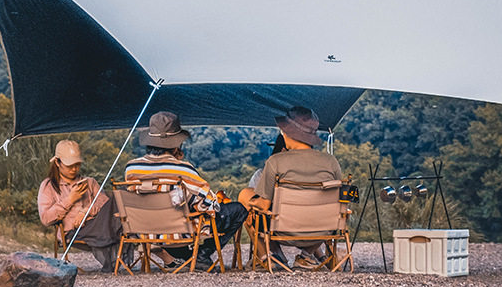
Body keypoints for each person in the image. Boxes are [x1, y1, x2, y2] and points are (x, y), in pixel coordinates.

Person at [124, 111, 248, 271]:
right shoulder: (183, 168)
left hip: (145, 230)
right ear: (176, 144)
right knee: (237, 210)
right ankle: (203, 254)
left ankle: (184, 258)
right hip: (179, 230)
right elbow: (209, 204)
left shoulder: (132, 168)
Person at [239, 106, 342, 269]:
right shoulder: (331, 162)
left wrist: (248, 202)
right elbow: (338, 202)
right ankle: (307, 255)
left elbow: (264, 205)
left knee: (245, 195)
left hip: (284, 232)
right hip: (322, 230)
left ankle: (268, 256)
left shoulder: (276, 162)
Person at [37, 140, 123, 271]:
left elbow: (104, 203)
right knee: (117, 221)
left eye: (77, 165)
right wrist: (70, 199)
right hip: (74, 232)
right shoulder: (48, 186)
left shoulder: (89, 182)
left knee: (115, 198)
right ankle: (138, 241)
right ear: (57, 163)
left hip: (98, 226)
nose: (74, 169)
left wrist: (85, 211)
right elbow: (46, 218)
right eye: (70, 165)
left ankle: (144, 241)